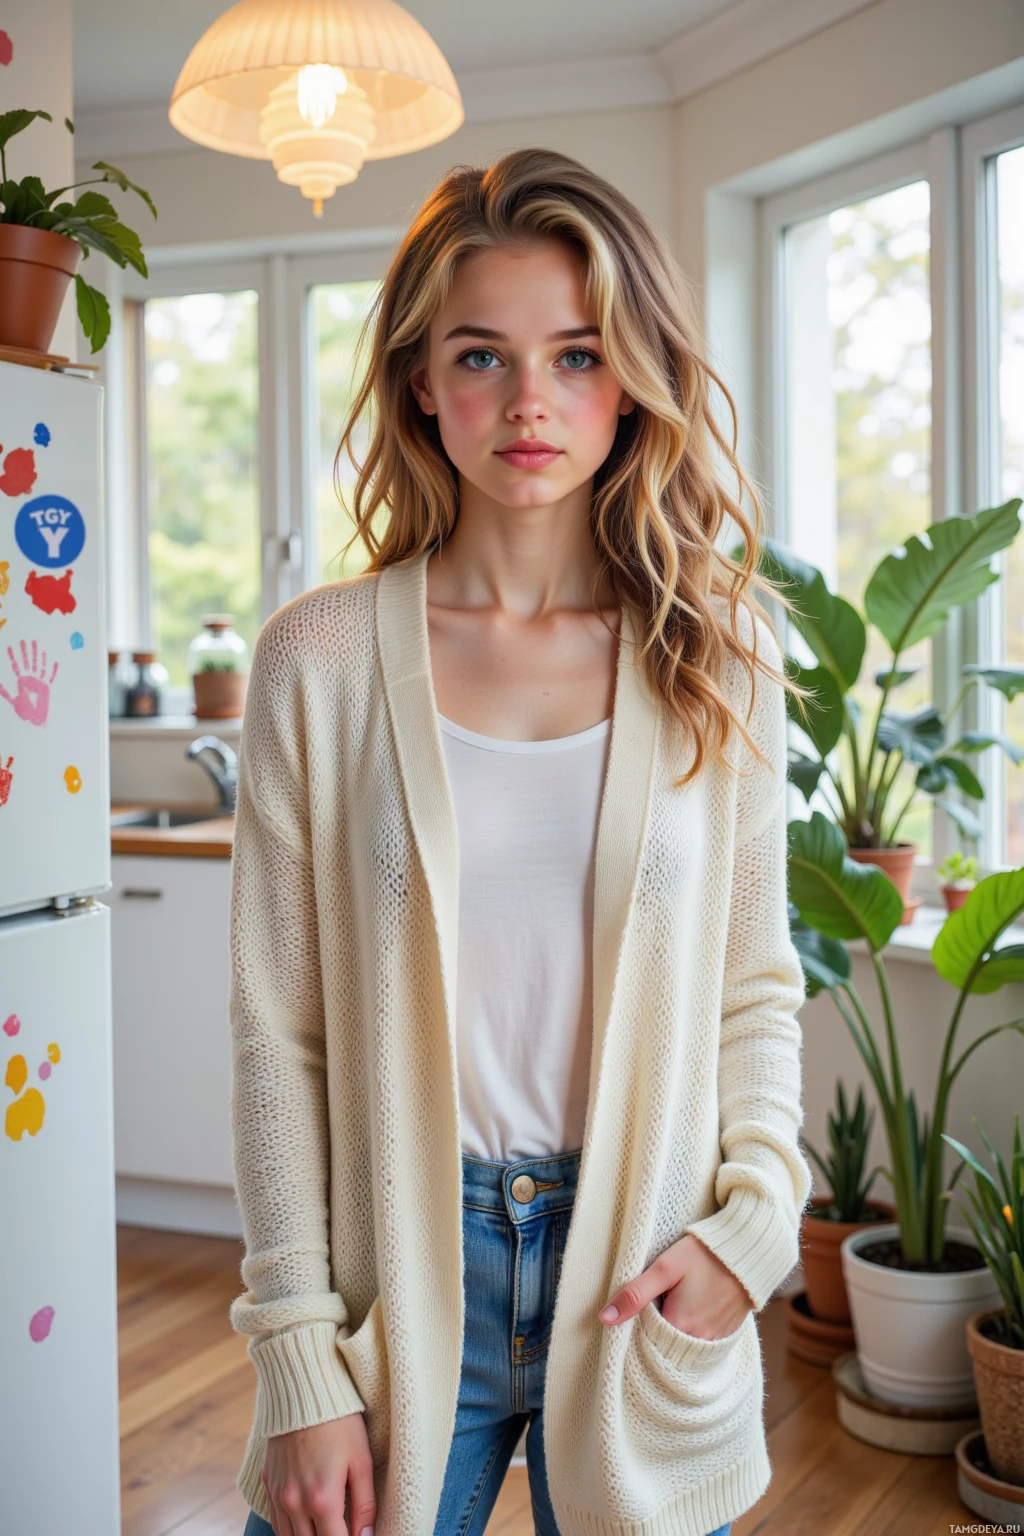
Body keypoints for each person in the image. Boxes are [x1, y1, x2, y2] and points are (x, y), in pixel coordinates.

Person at [232, 146, 812, 1536]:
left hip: (641, 1276)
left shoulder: (716, 657)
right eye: (482, 356)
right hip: (396, 1287)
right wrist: (298, 1358)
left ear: (636, 377)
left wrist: (756, 1227)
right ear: (422, 381)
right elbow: (276, 1036)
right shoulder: (316, 663)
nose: (531, 402)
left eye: (579, 354)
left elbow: (754, 988)